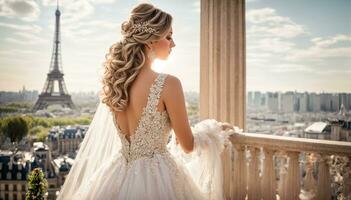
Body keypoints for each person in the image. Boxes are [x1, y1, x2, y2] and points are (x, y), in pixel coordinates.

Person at [57, 3, 240, 200]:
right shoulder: (169, 84)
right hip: (158, 178)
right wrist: (213, 131)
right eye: (168, 37)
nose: (173, 44)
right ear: (150, 41)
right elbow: (187, 144)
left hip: (118, 172)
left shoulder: (118, 85)